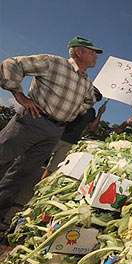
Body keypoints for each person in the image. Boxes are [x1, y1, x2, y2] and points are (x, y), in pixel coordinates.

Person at [0, 36, 103, 228]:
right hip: (32, 120)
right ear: (78, 51)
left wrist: (72, 114)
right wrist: (20, 96)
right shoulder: (54, 63)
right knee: (2, 156)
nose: (96, 57)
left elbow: (89, 102)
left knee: (22, 174)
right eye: (92, 52)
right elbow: (11, 64)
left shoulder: (87, 82)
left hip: (55, 131)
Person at [41, 89, 107, 179]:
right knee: (37, 158)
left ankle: (37, 189)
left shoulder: (91, 112)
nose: (93, 100)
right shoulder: (73, 103)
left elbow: (92, 128)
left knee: (53, 168)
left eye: (95, 99)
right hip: (56, 136)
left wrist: (100, 113)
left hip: (70, 143)